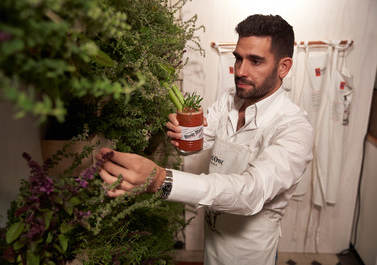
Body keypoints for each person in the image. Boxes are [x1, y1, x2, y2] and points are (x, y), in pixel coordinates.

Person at [96, 14, 314, 265]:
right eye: (238, 58)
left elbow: (251, 192)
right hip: (213, 242)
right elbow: (199, 144)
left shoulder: (294, 128)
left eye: (256, 61)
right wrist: (184, 134)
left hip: (252, 254)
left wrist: (160, 179)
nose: (241, 71)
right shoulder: (229, 100)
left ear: (283, 67)